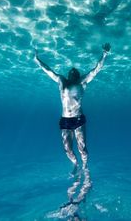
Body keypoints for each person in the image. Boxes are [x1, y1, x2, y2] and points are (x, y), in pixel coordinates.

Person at [34, 43, 111, 172]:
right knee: (67, 149)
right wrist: (37, 60)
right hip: (65, 120)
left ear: (77, 75)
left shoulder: (82, 81)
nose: (73, 71)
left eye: (75, 71)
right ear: (69, 74)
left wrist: (104, 54)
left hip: (78, 119)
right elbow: (48, 70)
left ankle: (85, 166)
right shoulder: (61, 80)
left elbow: (96, 69)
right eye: (71, 71)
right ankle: (75, 164)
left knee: (82, 148)